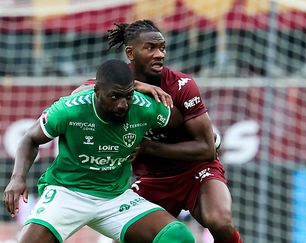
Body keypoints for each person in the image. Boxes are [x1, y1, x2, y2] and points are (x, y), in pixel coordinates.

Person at [77, 19, 242, 243]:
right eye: (150, 48)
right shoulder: (115, 83)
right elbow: (78, 94)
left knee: (219, 221)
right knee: (114, 239)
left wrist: (148, 147)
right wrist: (137, 87)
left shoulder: (182, 85)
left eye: (162, 48)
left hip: (196, 171)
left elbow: (207, 149)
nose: (159, 54)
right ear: (130, 52)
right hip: (152, 179)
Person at [2, 59, 195, 243]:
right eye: (114, 97)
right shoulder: (69, 109)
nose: (123, 105)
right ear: (97, 91)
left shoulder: (144, 107)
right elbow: (30, 138)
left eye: (128, 96)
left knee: (178, 236)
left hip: (115, 197)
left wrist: (205, 134)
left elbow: (179, 122)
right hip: (67, 192)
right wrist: (17, 177)